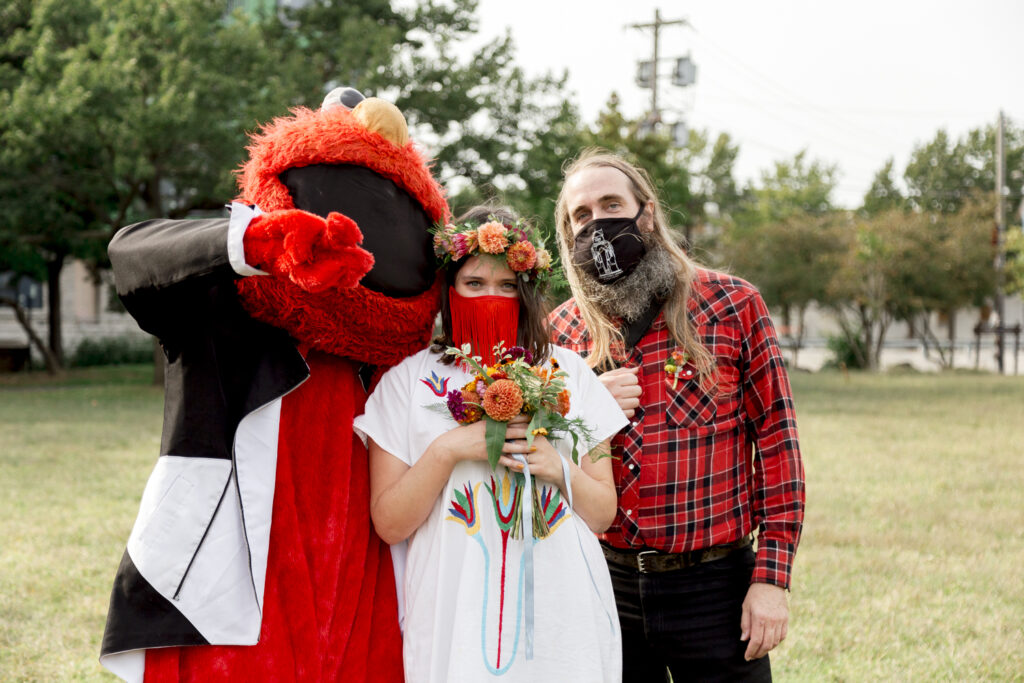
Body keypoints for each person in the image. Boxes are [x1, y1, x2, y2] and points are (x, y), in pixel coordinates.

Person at [99, 90, 446, 682]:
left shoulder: (394, 349)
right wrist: (255, 245)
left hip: (359, 568)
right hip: (240, 570)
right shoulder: (223, 302)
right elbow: (132, 253)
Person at [548, 149, 806, 682]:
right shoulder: (563, 332)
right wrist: (584, 405)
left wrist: (772, 580)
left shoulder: (733, 306)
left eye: (611, 203)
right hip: (605, 586)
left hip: (714, 587)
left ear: (646, 212)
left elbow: (779, 447)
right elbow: (547, 460)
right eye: (582, 214)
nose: (598, 223)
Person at [353, 207, 628, 682]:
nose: (491, 297)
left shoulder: (573, 373)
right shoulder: (406, 382)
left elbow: (604, 512)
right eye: (474, 284)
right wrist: (448, 450)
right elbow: (389, 523)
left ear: (526, 293)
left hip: (563, 613)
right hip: (451, 611)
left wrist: (556, 466)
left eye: (506, 286)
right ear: (449, 289)